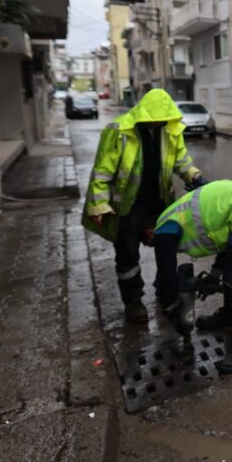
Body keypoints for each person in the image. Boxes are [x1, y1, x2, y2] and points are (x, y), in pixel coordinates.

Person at [82, 89, 204, 324]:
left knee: (166, 247)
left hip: (159, 202)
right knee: (127, 256)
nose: (158, 122)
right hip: (126, 207)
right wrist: (98, 205)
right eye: (154, 118)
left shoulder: (169, 130)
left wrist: (194, 176)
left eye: (162, 118)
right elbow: (102, 171)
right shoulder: (119, 131)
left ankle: (164, 289)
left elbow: (180, 160)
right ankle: (133, 301)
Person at [148, 179, 232, 374]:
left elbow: (166, 276)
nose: (152, 245)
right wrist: (214, 275)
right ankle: (231, 314)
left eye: (148, 242)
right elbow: (227, 244)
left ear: (148, 231)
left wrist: (173, 310)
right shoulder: (175, 216)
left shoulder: (163, 229)